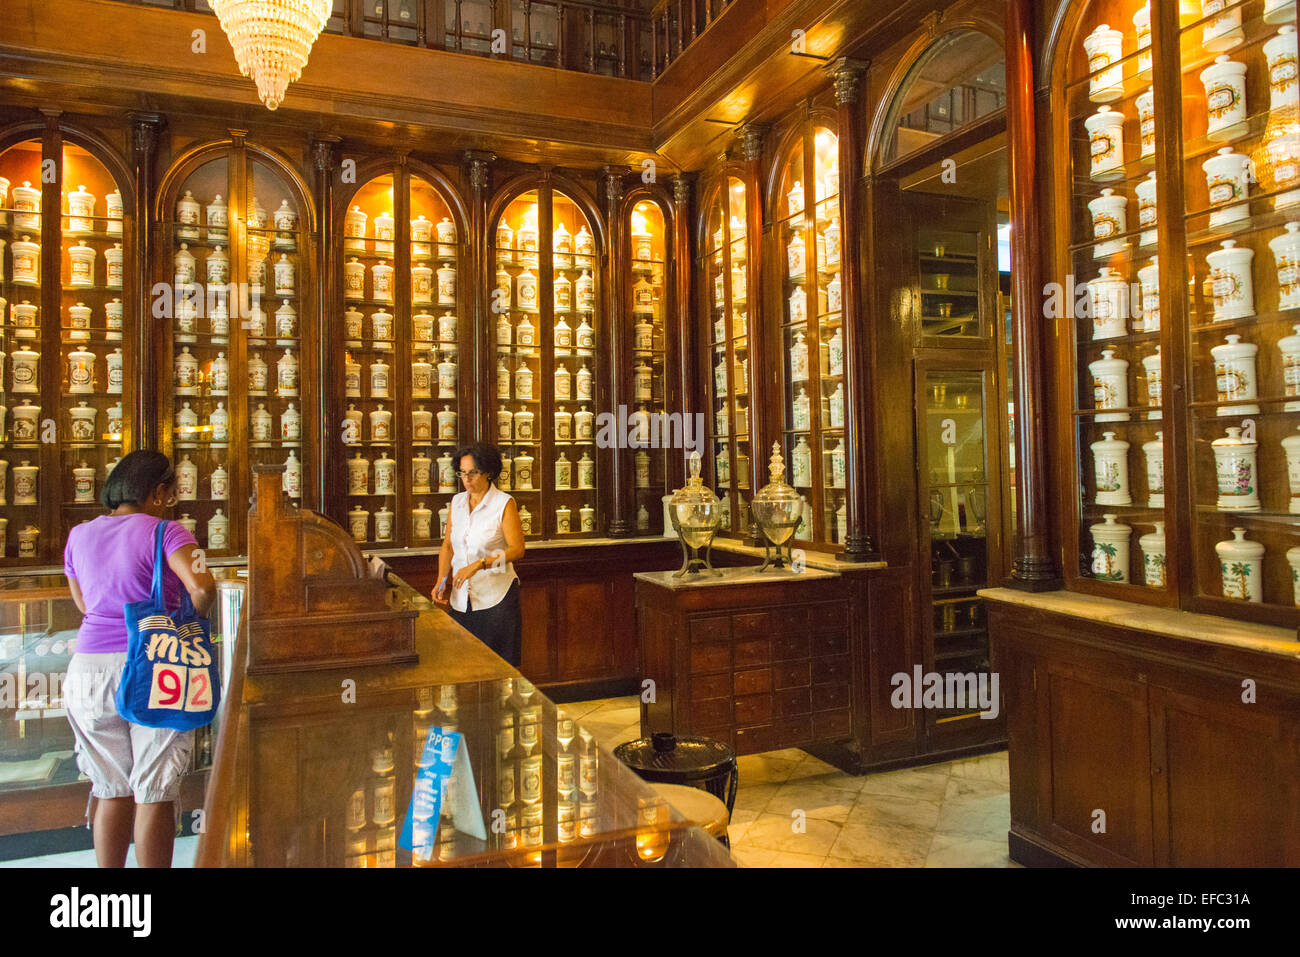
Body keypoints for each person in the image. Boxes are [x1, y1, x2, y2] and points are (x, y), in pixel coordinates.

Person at [62, 450, 217, 868]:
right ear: (161, 491)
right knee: (153, 787)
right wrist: (188, 621)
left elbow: (83, 604)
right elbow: (203, 589)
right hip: (154, 664)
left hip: (88, 669)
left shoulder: (78, 535)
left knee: (110, 787)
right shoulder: (169, 532)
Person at [433, 443, 525, 665]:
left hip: (496, 600)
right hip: (460, 600)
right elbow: (448, 546)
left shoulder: (504, 503)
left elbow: (517, 550)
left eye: (473, 472)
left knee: (498, 669)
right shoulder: (457, 502)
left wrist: (479, 564)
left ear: (489, 472)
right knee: (463, 666)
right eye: (462, 473)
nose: (467, 479)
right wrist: (441, 580)